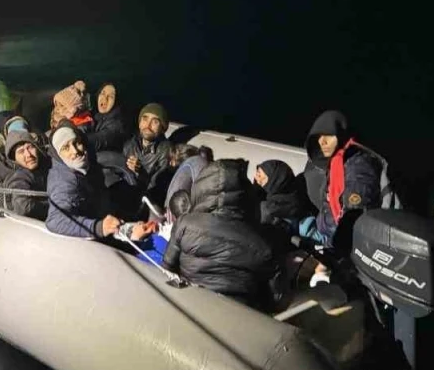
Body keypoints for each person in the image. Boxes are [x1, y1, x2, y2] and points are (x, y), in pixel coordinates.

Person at [162, 162, 288, 307]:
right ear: (246, 195)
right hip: (238, 314)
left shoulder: (185, 224)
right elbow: (277, 300)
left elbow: (167, 270)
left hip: (190, 306)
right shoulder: (264, 242)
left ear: (200, 190)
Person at [45, 125, 151, 240]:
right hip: (91, 233)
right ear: (58, 155)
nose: (75, 151)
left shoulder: (88, 160)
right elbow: (55, 220)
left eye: (77, 143)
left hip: (104, 213)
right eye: (65, 148)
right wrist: (99, 227)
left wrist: (127, 223)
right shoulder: (64, 182)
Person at [301, 110, 385, 246]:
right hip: (327, 231)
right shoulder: (337, 163)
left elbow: (352, 227)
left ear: (341, 135)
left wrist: (327, 249)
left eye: (328, 135)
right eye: (318, 137)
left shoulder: (358, 167)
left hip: (336, 242)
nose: (322, 142)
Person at [121, 103, 173, 202]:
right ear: (139, 123)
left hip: (146, 202)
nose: (148, 126)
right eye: (145, 119)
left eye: (155, 122)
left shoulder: (166, 151)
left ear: (162, 128)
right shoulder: (130, 144)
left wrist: (141, 172)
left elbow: (158, 190)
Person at [0, 129, 49, 219]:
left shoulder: (42, 164)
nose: (28, 154)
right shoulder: (17, 177)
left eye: (30, 147)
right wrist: (54, 206)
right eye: (21, 151)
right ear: (13, 158)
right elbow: (24, 208)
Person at [254, 158, 314, 233]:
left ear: (274, 182)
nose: (256, 178)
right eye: (257, 172)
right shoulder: (293, 188)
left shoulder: (273, 208)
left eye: (260, 176)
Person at [87, 82, 128, 152]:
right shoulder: (94, 114)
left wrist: (75, 138)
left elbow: (100, 140)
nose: (105, 98)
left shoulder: (117, 125)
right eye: (102, 93)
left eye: (111, 96)